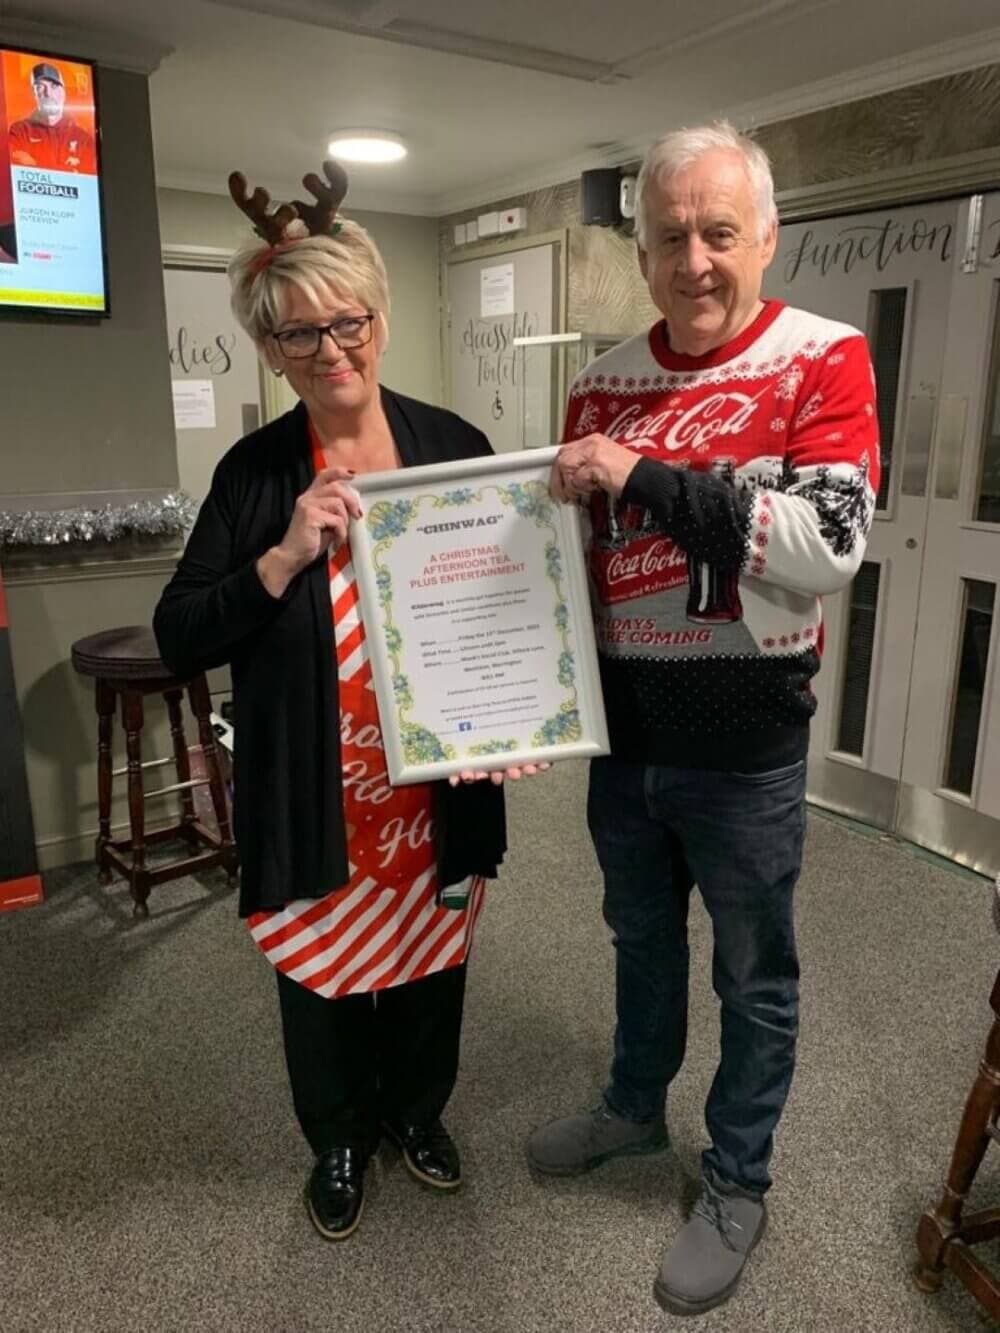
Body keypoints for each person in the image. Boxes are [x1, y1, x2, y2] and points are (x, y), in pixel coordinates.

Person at [528, 122, 880, 1316]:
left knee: (751, 974)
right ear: (640, 253)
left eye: (718, 233)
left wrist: (639, 476)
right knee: (637, 942)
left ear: (766, 237)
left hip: (743, 753)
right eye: (670, 236)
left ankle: (737, 1180)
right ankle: (634, 1107)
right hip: (623, 742)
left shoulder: (823, 359)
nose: (694, 261)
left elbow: (822, 546)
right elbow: (572, 563)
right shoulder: (602, 382)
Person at [154, 163, 536, 1242]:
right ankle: (336, 1135)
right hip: (316, 794)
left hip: (435, 793)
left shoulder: (453, 446)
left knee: (431, 966)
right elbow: (182, 630)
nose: (330, 349)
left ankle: (415, 1114)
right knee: (322, 982)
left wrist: (515, 716)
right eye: (298, 334)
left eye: (347, 321)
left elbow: (506, 606)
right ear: (271, 349)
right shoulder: (254, 475)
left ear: (379, 318)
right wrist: (281, 556)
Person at [9, 63, 96, 174]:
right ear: (34, 94)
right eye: (40, 87)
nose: (48, 93)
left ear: (63, 92)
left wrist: (35, 164)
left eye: (54, 86)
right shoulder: (20, 132)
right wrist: (70, 170)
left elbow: (88, 178)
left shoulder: (83, 140)